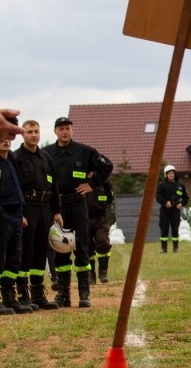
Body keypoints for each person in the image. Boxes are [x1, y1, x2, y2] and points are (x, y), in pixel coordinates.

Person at [43, 117, 113, 308]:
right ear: (55, 131)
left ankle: (84, 293)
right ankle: (64, 294)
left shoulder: (85, 152)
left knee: (82, 248)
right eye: (61, 129)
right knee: (60, 250)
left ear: (72, 131)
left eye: (68, 128)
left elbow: (107, 166)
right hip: (57, 208)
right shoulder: (46, 154)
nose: (65, 132)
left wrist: (92, 184)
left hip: (78, 206)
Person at [14, 120, 62, 310]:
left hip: (45, 208)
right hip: (27, 208)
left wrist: (56, 210)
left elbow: (54, 185)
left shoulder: (46, 158)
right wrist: (18, 212)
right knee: (26, 251)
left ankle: (37, 294)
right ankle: (22, 294)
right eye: (29, 132)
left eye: (36, 131)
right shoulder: (16, 158)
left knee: (41, 252)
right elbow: (14, 189)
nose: (34, 135)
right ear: (22, 135)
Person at [0, 116, 32, 313]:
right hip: (2, 214)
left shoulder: (12, 159)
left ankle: (9, 297)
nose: (6, 140)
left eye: (8, 137)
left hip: (16, 214)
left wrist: (20, 214)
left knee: (14, 257)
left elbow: (17, 189)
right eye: (2, 136)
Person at [86, 176, 114, 283]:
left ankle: (103, 272)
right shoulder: (81, 177)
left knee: (102, 241)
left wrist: (103, 206)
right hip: (85, 217)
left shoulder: (104, 179)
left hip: (101, 217)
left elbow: (110, 196)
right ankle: (90, 274)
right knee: (87, 247)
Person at [156, 164, 189, 252]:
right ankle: (164, 248)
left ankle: (175, 247)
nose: (171, 175)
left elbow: (186, 197)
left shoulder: (180, 186)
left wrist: (181, 204)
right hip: (165, 210)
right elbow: (158, 196)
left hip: (175, 210)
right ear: (166, 175)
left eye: (172, 173)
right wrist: (165, 202)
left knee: (175, 228)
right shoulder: (162, 185)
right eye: (169, 173)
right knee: (164, 228)